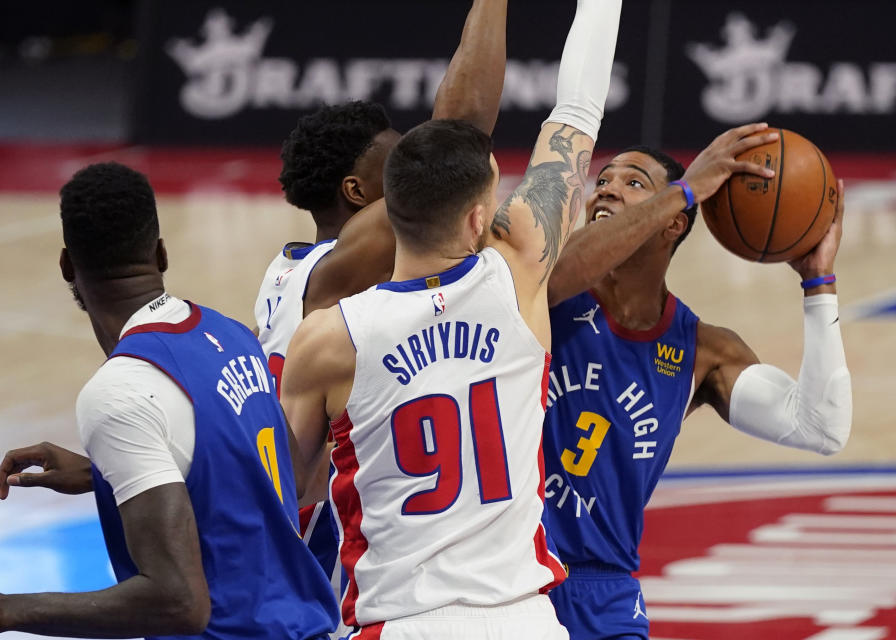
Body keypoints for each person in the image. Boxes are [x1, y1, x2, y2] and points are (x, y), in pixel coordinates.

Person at [280, 1, 623, 636]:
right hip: (524, 618)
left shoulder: (327, 340)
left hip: (400, 619)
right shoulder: (520, 267)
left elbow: (284, 502)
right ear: (475, 219)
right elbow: (576, 113)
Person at [0, 162, 338, 639]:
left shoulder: (119, 391)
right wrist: (106, 476)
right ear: (161, 254)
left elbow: (178, 603)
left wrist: (9, 609)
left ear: (67, 266)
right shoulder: (232, 334)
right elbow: (292, 479)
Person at [253, 2, 508, 633]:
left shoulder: (292, 270)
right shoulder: (337, 275)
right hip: (312, 557)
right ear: (358, 193)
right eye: (397, 165)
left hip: (298, 535)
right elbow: (462, 132)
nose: (415, 171)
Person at [541, 135, 854, 639]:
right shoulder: (542, 294)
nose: (607, 190)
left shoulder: (700, 350)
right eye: (603, 181)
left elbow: (821, 427)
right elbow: (562, 266)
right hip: (510, 582)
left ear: (674, 222)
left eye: (633, 182)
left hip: (607, 595)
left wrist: (819, 284)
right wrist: (684, 188)